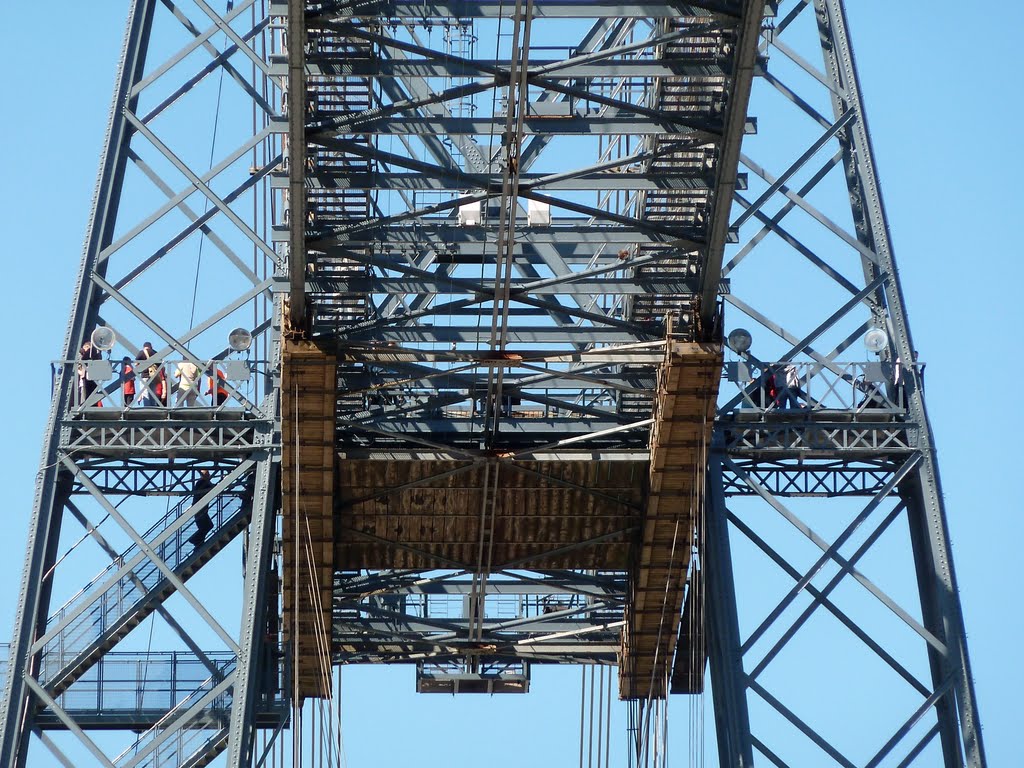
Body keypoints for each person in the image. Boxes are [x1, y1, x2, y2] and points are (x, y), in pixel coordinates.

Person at [188, 469, 215, 548]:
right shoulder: (202, 483)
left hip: (200, 510)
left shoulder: (201, 483)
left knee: (206, 526)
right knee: (208, 526)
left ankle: (198, 542)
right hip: (200, 510)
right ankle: (195, 540)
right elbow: (213, 488)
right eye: (207, 474)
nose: (209, 475)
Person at [77, 341, 103, 407]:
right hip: (92, 377)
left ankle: (86, 405)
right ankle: (91, 405)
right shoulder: (96, 354)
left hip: (88, 377)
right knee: (91, 393)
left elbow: (84, 359)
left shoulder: (90, 352)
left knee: (86, 393)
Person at [137, 342, 162, 407]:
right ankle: (153, 406)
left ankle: (147, 406)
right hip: (153, 375)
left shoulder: (141, 352)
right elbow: (160, 363)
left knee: (145, 391)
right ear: (151, 346)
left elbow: (136, 363)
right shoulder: (154, 353)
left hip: (144, 375)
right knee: (153, 392)